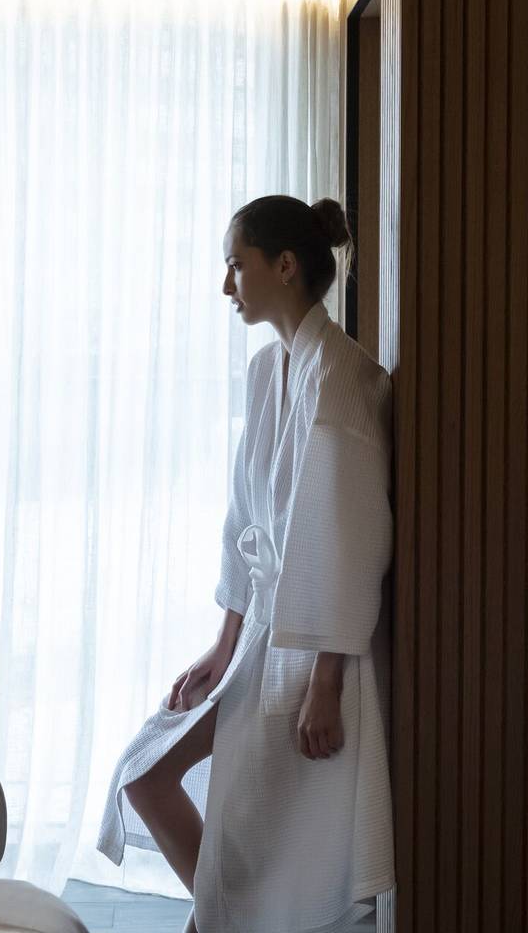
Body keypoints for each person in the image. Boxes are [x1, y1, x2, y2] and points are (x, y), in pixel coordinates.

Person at [95, 195, 395, 933]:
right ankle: (223, 919)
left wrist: (325, 683)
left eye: (237, 265)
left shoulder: (343, 381)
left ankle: (221, 922)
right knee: (147, 770)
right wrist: (221, 645)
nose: (228, 286)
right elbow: (243, 523)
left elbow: (351, 540)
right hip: (262, 635)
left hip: (315, 652)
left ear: (284, 266)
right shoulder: (271, 371)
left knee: (277, 840)